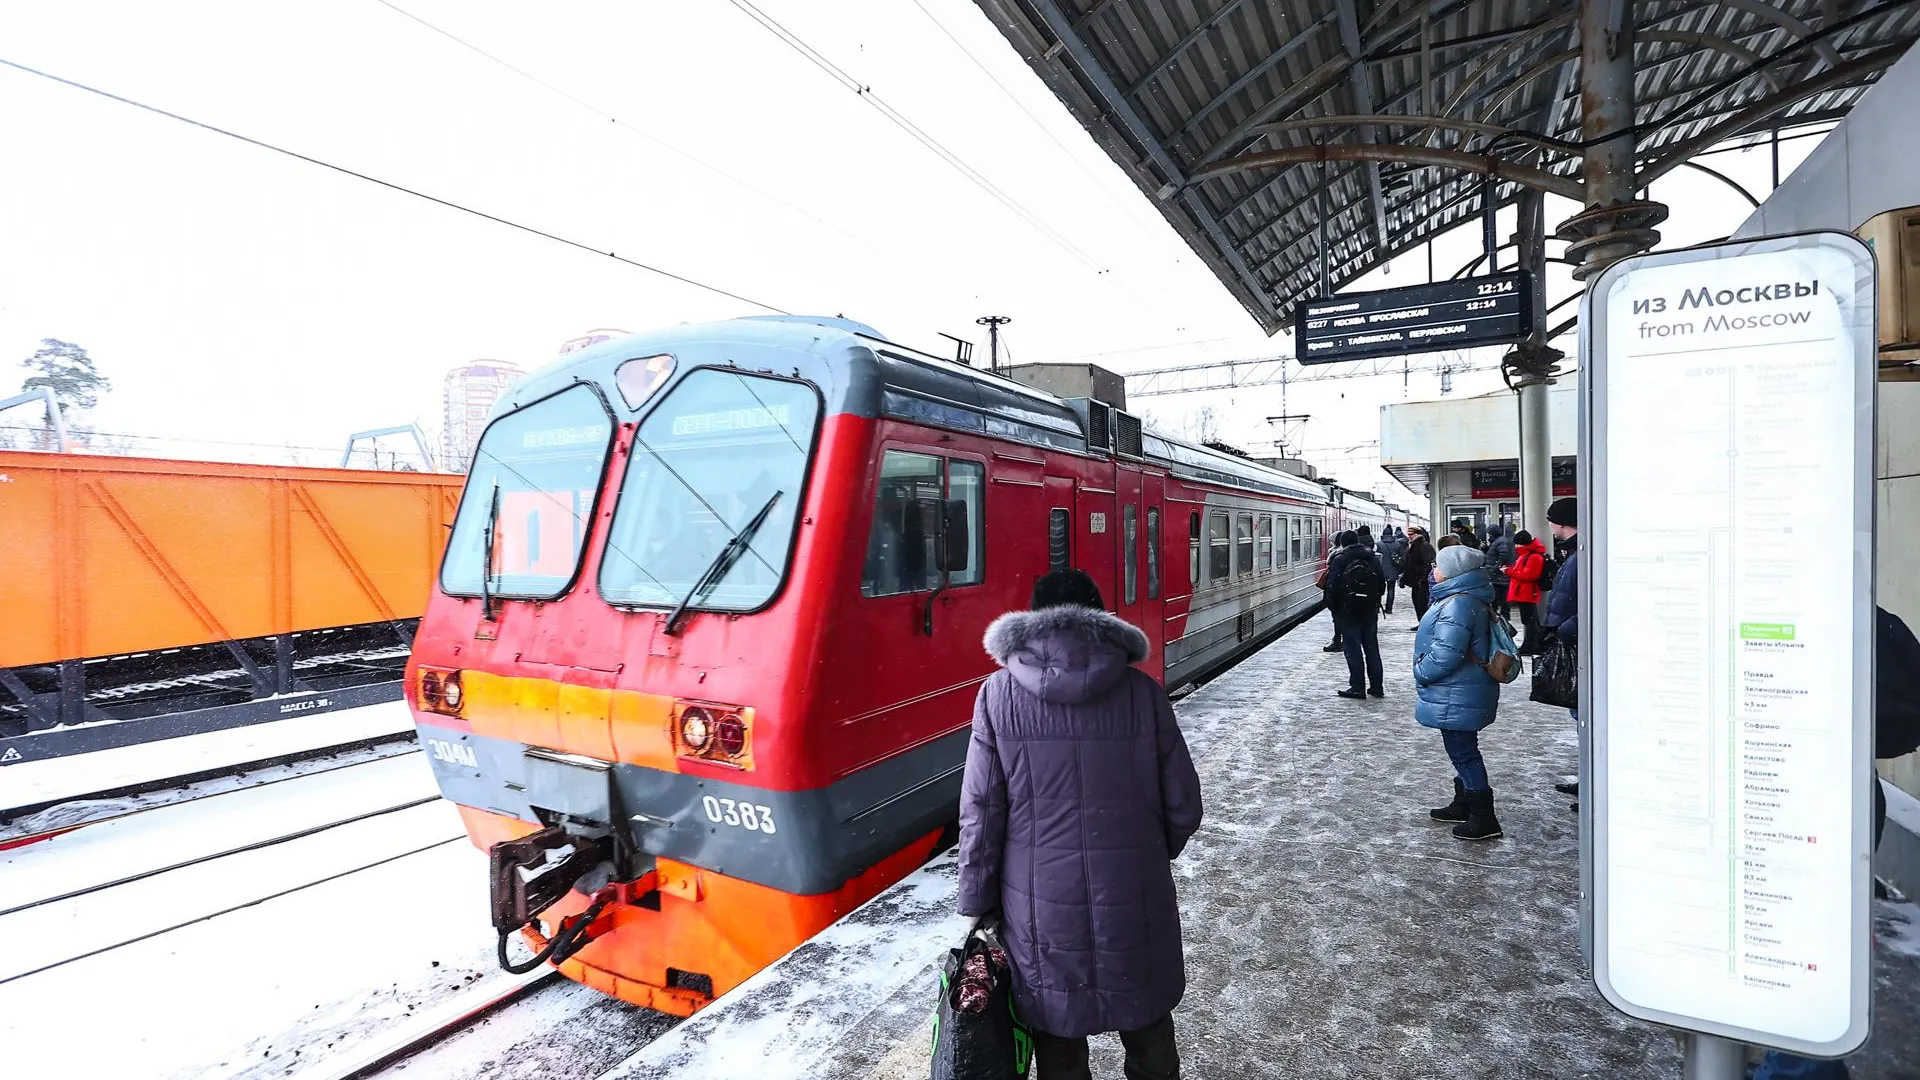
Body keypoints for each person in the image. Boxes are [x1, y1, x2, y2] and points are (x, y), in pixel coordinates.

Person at [958, 569, 1203, 1080]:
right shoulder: (1142, 693)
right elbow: (1185, 805)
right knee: (1147, 1023)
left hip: (1038, 903)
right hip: (1132, 890)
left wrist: (976, 900)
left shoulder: (997, 696)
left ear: (1030, 621)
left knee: (1059, 1037)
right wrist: (1144, 854)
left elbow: (981, 810)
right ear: (1100, 618)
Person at [1415, 544, 1503, 841]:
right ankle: (1464, 801)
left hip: (1458, 690)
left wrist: (1421, 671)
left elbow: (1447, 653)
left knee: (1463, 752)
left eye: (1437, 565)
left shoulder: (1458, 603)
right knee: (1462, 748)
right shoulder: (1468, 597)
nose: (1433, 570)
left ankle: (1483, 817)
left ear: (1454, 572)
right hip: (1464, 688)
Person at [1540, 497, 1581, 811]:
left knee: (1585, 717)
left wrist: (1566, 628)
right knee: (1579, 715)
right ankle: (1590, 779)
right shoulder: (1576, 552)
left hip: (1578, 643)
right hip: (1574, 640)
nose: (1550, 525)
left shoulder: (1584, 554)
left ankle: (1595, 783)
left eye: (1551, 520)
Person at [1327, 529, 1386, 699]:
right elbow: (1381, 584)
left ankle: (1357, 687)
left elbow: (1332, 586)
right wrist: (1372, 601)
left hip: (1347, 612)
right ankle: (1377, 687)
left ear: (1343, 543)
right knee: (1372, 649)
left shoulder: (1340, 559)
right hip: (1369, 611)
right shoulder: (1372, 557)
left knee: (1353, 650)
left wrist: (1335, 609)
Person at [1505, 529, 1547, 655]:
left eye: (1517, 544)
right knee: (1529, 620)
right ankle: (1533, 644)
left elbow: (1529, 575)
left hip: (1526, 592)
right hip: (1524, 592)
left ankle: (1531, 645)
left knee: (1530, 621)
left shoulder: (1532, 556)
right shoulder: (1527, 555)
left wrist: (1509, 571)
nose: (1515, 546)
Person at [1402, 526, 1437, 625]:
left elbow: (1428, 563)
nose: (1409, 537)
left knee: (1422, 603)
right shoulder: (1414, 546)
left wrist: (1423, 579)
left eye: (1411, 535)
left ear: (1417, 534)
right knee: (1418, 603)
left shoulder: (1424, 546)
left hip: (1421, 582)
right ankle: (1422, 623)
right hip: (1416, 582)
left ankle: (1425, 624)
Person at [1486, 524, 1515, 619]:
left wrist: (1495, 568)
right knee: (1501, 599)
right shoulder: (1499, 541)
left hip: (1500, 576)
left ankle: (1502, 619)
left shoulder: (1501, 542)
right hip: (1499, 576)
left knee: (1500, 599)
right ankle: (1502, 617)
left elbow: (1503, 555)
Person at [1378, 526, 1404, 616]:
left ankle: (1377, 607)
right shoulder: (1397, 544)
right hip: (1393, 570)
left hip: (1380, 570)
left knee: (1378, 589)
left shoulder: (1378, 544)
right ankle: (1389, 608)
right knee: (1391, 589)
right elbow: (1401, 557)